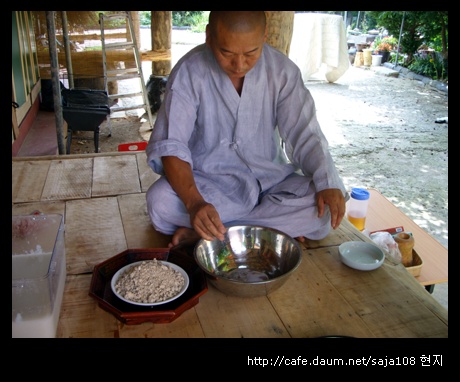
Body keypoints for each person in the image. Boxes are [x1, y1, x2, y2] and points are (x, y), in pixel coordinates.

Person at [145, 11, 348, 247]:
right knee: (159, 202)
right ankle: (265, 229)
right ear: (209, 35)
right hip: (211, 186)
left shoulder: (282, 72)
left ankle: (211, 233)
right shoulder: (189, 71)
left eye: (251, 53)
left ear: (264, 36)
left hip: (272, 182)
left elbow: (305, 133)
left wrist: (328, 183)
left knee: (322, 208)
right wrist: (195, 204)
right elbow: (172, 144)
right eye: (226, 52)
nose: (239, 65)